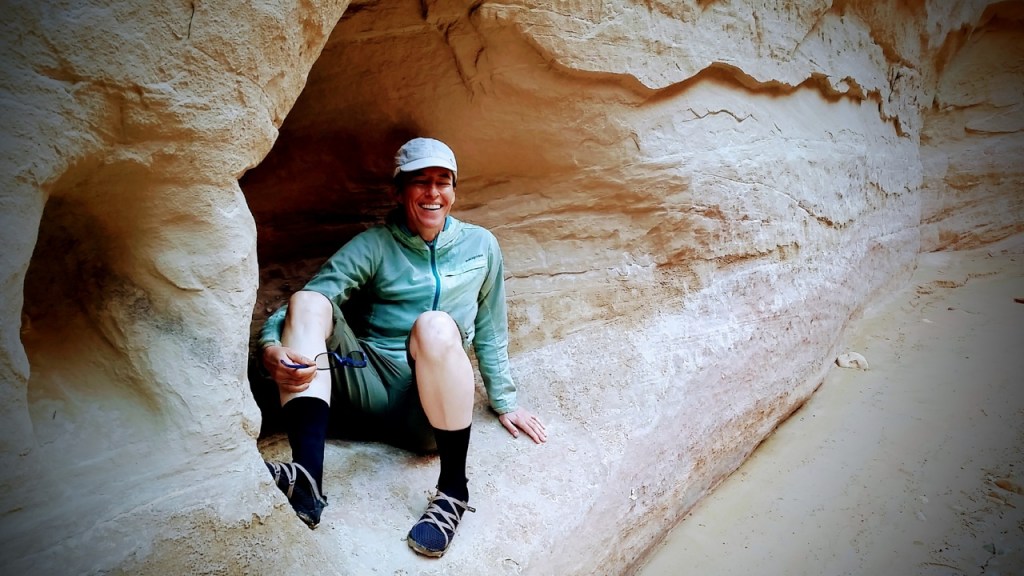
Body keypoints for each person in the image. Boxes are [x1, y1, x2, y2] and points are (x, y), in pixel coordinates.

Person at [258, 137, 546, 558]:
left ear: (454, 190)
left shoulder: (481, 245)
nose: (433, 193)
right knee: (308, 301)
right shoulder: (376, 244)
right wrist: (269, 346)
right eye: (420, 182)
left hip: (428, 412)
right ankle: (307, 480)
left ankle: (452, 492)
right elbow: (306, 304)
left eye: (443, 181)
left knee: (435, 326)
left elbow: (490, 327)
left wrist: (505, 401)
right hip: (366, 387)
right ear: (398, 192)